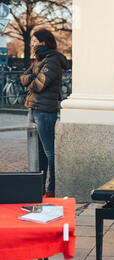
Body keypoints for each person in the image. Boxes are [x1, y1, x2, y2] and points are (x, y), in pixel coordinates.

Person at [20, 28, 70, 197]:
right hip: (33, 108)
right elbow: (22, 77)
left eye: (34, 41)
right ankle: (39, 187)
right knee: (38, 152)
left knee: (49, 152)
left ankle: (52, 188)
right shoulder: (40, 60)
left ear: (43, 42)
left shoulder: (53, 60)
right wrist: (32, 77)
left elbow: (38, 85)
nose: (32, 44)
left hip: (45, 112)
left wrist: (32, 79)